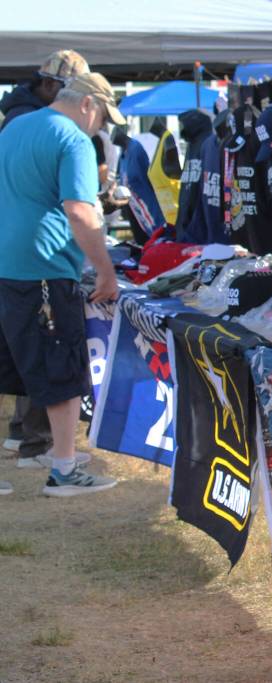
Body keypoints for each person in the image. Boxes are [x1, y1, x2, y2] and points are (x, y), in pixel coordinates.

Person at [0, 72, 124, 496]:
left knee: (13, 370)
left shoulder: (17, 125)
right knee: (62, 369)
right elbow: (80, 212)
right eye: (104, 117)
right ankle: (65, 469)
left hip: (7, 263)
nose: (102, 127)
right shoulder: (73, 140)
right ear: (88, 104)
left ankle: (62, 462)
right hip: (45, 268)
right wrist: (105, 270)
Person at [0, 49, 91, 466]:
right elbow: (73, 206)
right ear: (55, 87)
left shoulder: (16, 122)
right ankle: (42, 446)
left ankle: (32, 440)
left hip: (16, 258)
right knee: (45, 358)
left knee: (26, 355)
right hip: (38, 263)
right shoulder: (47, 128)